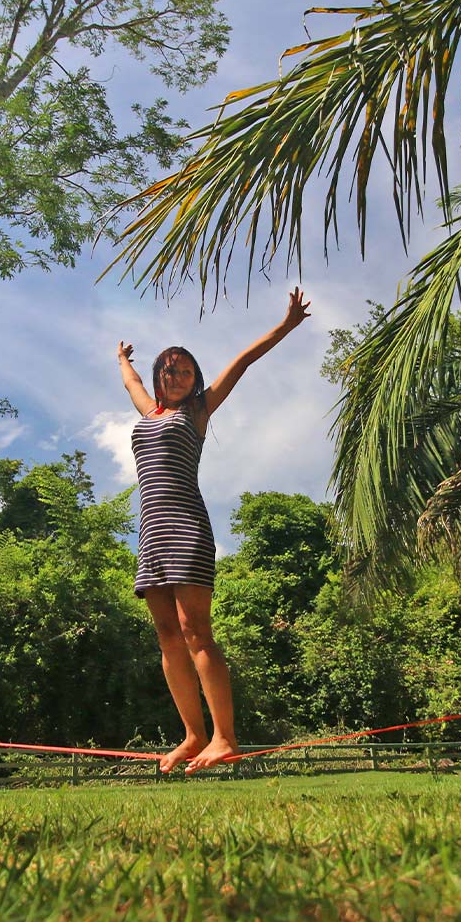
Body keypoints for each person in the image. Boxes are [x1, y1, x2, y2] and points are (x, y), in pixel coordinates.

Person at [117, 287, 311, 772]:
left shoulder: (197, 412)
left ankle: (224, 737)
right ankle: (192, 734)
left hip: (186, 526)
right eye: (170, 369)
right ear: (160, 376)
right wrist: (121, 358)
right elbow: (131, 383)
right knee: (166, 635)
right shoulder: (148, 413)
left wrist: (284, 327)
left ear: (194, 380)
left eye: (186, 370)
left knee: (195, 631)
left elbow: (242, 362)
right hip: (151, 532)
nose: (177, 375)